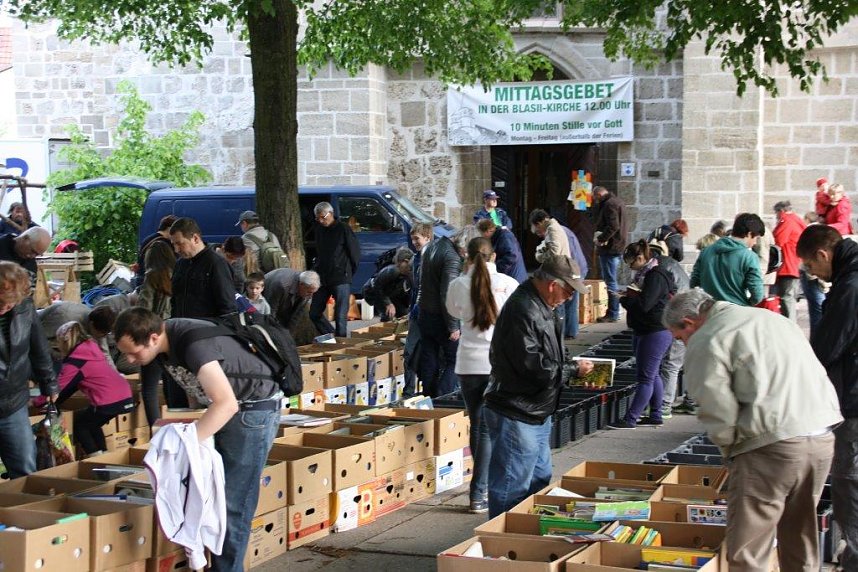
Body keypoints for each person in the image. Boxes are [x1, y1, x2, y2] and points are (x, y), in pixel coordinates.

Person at [663, 288, 842, 571]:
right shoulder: (772, 319)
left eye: (679, 338)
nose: (683, 344)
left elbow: (716, 407)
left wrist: (730, 452)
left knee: (749, 547)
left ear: (689, 323)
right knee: (800, 531)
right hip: (821, 433)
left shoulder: (708, 337)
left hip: (772, 443)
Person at [115, 307, 283, 572]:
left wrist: (187, 445)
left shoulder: (192, 344)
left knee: (232, 503)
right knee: (213, 496)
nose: (129, 360)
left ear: (153, 338)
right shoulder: (165, 345)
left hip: (252, 413)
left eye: (133, 352)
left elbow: (226, 404)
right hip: (231, 410)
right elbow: (199, 393)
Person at [484, 255, 592, 518]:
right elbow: (533, 367)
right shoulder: (524, 309)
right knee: (512, 485)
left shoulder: (543, 305)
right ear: (553, 285)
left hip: (535, 409)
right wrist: (572, 370)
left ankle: (522, 528)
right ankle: (503, 534)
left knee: (538, 477)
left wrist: (572, 369)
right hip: (517, 410)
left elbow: (551, 354)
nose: (570, 298)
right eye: (568, 291)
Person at [796, 224, 858, 569]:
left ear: (823, 254)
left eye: (811, 265)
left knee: (850, 480)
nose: (813, 273)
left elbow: (828, 346)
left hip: (853, 397)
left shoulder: (850, 286)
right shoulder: (849, 279)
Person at [445, 237, 519, 514]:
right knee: (492, 429)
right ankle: (481, 491)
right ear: (494, 256)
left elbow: (452, 310)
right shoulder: (509, 284)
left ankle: (480, 490)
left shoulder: (458, 284)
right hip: (496, 364)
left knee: (478, 426)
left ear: (467, 256)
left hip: (468, 363)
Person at [608, 240, 676, 429]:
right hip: (647, 328)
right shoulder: (647, 274)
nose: (630, 267)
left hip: (655, 330)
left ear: (640, 258)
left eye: (630, 263)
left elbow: (645, 305)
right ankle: (655, 415)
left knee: (645, 378)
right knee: (653, 375)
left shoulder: (655, 276)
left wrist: (624, 300)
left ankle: (631, 419)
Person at [0, 261, 57, 478]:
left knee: (26, 470)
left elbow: (38, 345)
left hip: (14, 400)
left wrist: (49, 382)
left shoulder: (24, 306)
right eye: (1, 302)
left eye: (10, 304)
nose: (5, 308)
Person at [46, 321, 134, 456]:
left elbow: (58, 387)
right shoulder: (92, 350)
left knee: (81, 426)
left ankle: (94, 458)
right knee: (92, 423)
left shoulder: (76, 361)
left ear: (64, 342)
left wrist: (37, 401)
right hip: (125, 396)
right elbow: (72, 386)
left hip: (108, 401)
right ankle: (104, 456)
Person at [417, 226, 463, 397]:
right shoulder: (451, 257)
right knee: (456, 359)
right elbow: (447, 293)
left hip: (425, 312)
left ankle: (428, 397)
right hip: (441, 317)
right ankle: (442, 398)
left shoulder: (432, 247)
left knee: (430, 357)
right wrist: (453, 326)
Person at [646, 240, 690, 420]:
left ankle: (664, 405)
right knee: (674, 362)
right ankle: (668, 402)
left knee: (671, 363)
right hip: (683, 315)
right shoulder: (671, 265)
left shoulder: (659, 269)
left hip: (679, 317)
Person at [530, 209, 588, 339]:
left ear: (539, 222)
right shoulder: (557, 228)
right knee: (568, 302)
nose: (539, 234)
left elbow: (554, 254)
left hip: (565, 271)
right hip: (571, 268)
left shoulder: (553, 229)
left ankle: (562, 333)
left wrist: (539, 256)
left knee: (560, 302)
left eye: (538, 230)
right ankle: (569, 332)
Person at [308, 202, 360, 338]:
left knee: (340, 316)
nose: (320, 220)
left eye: (323, 217)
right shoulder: (319, 229)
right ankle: (331, 336)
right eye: (318, 218)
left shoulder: (343, 229)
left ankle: (341, 342)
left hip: (341, 276)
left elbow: (354, 253)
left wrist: (348, 273)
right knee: (314, 313)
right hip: (322, 276)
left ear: (330, 214)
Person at [689, 212, 764, 306]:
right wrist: (746, 304)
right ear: (749, 234)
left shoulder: (706, 251)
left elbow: (694, 284)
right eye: (756, 238)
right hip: (736, 309)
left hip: (708, 310)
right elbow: (757, 295)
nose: (755, 242)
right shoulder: (749, 257)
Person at [170, 217, 236, 320]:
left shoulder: (217, 264)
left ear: (195, 238)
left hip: (207, 328)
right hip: (182, 326)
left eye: (179, 243)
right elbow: (175, 301)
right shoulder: (180, 264)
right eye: (173, 244)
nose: (176, 249)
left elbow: (228, 308)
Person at [403, 222, 433, 399]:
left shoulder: (431, 257)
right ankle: (408, 391)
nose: (414, 242)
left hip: (426, 312)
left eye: (417, 238)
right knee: (410, 351)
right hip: (417, 311)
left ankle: (420, 390)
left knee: (419, 351)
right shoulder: (416, 258)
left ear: (427, 237)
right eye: (412, 239)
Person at [592, 186, 627, 323]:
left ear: (599, 194)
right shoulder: (617, 201)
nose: (595, 200)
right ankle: (614, 311)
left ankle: (613, 312)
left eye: (595, 197)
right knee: (612, 280)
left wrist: (601, 239)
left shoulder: (609, 204)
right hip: (617, 246)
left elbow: (613, 226)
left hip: (611, 248)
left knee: (611, 281)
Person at [772, 201, 806, 320]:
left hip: (787, 265)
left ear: (781, 211)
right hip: (794, 263)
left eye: (776, 213)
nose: (776, 216)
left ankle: (790, 325)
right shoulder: (797, 220)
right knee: (789, 297)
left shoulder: (786, 220)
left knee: (786, 298)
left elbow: (778, 240)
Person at [362, 247, 413, 321]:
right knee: (388, 314)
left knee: (404, 314)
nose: (398, 267)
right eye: (397, 265)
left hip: (393, 293)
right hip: (373, 291)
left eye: (399, 265)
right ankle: (385, 325)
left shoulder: (412, 269)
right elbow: (377, 287)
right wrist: (388, 304)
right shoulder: (392, 270)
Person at [476, 218, 527, 283]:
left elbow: (512, 256)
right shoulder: (497, 236)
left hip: (514, 276)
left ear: (488, 231)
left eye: (482, 233)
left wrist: (495, 266)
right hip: (510, 275)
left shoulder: (505, 236)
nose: (482, 236)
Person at [800, 212, 826, 336]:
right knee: (818, 306)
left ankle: (817, 337)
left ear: (807, 219)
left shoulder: (810, 232)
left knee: (817, 307)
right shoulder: (821, 230)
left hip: (812, 275)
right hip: (814, 274)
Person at [134, 215, 177, 288]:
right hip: (152, 283)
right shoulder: (164, 243)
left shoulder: (148, 239)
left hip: (141, 279)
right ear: (170, 228)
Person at [137, 239, 175, 320]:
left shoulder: (152, 276)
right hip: (177, 321)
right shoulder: (178, 272)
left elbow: (144, 308)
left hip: (158, 322)